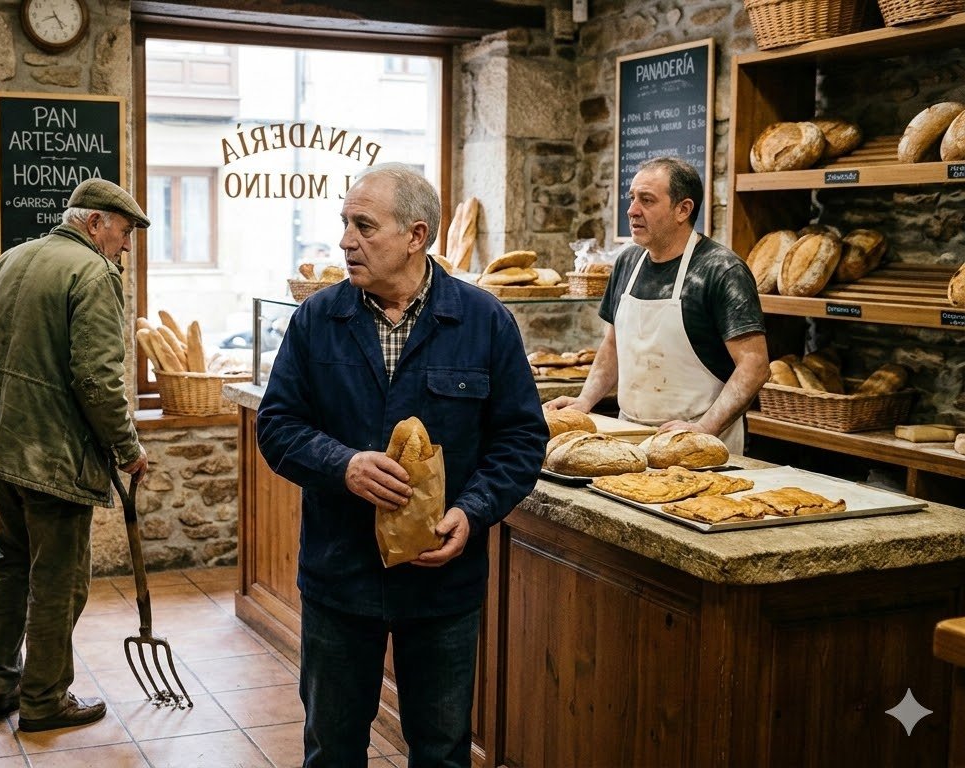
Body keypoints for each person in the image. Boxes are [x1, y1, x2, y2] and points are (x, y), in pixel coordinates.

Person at [255, 163, 547, 767]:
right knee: (332, 750)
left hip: (443, 584)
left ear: (416, 236)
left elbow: (520, 439)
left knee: (441, 751)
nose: (345, 241)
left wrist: (474, 510)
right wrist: (343, 465)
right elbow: (277, 425)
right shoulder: (317, 320)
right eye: (344, 223)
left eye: (364, 226)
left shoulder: (485, 321)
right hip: (341, 576)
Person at [0, 178, 149, 733]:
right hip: (52, 457)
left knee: (13, 561)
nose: (126, 246)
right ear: (94, 223)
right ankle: (43, 699)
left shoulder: (11, 260)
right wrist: (128, 449)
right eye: (124, 231)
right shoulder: (92, 273)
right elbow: (98, 378)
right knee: (59, 578)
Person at [545, 156, 769, 453]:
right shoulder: (627, 262)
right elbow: (613, 345)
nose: (632, 210)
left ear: (683, 209)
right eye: (632, 198)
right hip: (629, 435)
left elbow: (754, 366)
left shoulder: (721, 270)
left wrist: (704, 429)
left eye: (646, 200)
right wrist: (584, 400)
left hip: (699, 441)